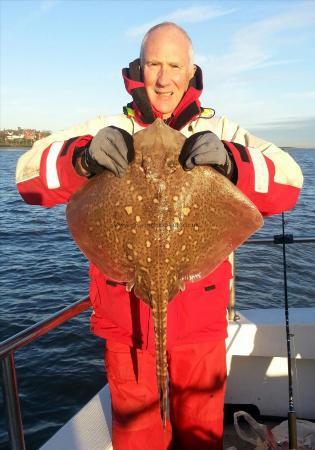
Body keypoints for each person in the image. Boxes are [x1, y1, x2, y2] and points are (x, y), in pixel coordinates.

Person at [16, 22, 303, 450]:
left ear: (191, 72)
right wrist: (80, 157)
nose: (163, 78)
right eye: (154, 64)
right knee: (136, 439)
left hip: (200, 327)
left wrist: (233, 163)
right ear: (139, 67)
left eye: (174, 65)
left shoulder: (221, 131)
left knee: (200, 437)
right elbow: (28, 178)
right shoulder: (109, 127)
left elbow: (291, 182)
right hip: (126, 327)